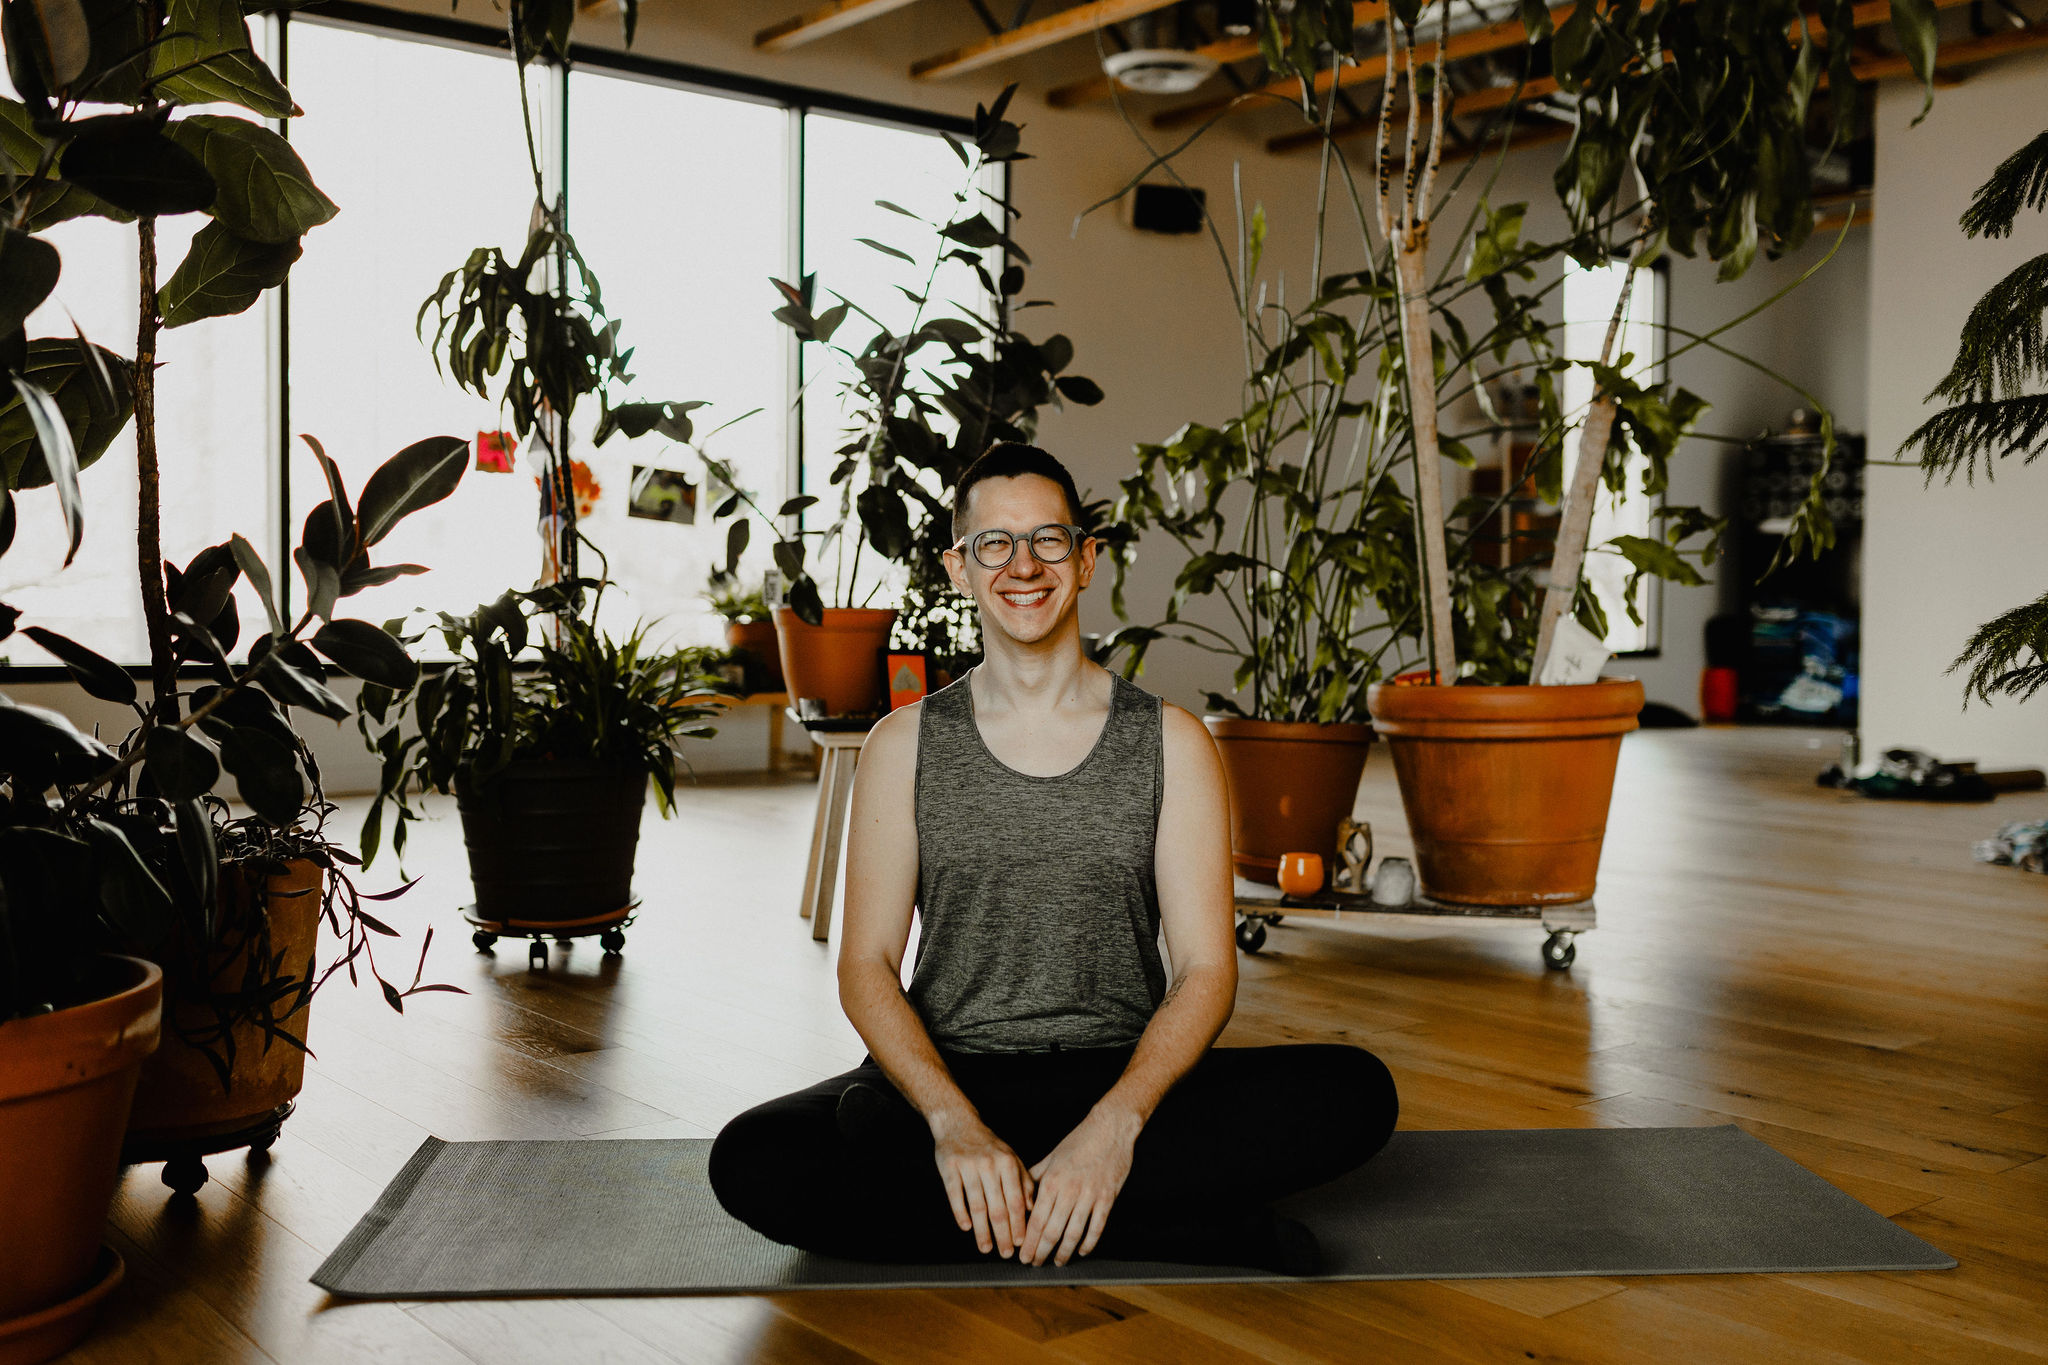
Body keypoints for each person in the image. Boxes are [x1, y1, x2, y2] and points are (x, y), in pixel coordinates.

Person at [709, 442, 1397, 1272]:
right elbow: (866, 965)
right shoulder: (904, 744)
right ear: (959, 568)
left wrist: (1114, 1127)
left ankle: (1024, 1204)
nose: (1023, 565)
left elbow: (1208, 972)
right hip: (951, 1071)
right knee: (753, 1158)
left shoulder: (1170, 742)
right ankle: (1183, 1228)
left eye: (1048, 539)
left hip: (1123, 1077)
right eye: (994, 544)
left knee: (1357, 1094)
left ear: (1086, 558)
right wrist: (951, 1123)